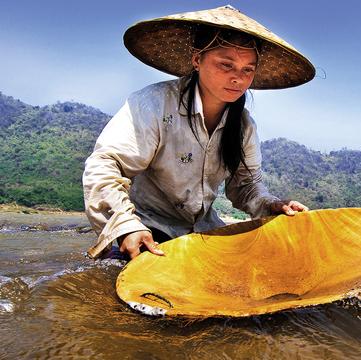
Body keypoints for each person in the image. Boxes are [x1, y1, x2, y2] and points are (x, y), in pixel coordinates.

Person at [83, 5, 316, 259]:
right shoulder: (154, 103)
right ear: (197, 59)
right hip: (147, 231)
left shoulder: (244, 126)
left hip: (204, 234)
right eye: (226, 65)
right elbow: (106, 164)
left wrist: (271, 204)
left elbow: (247, 185)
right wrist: (125, 226)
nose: (238, 78)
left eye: (247, 69)